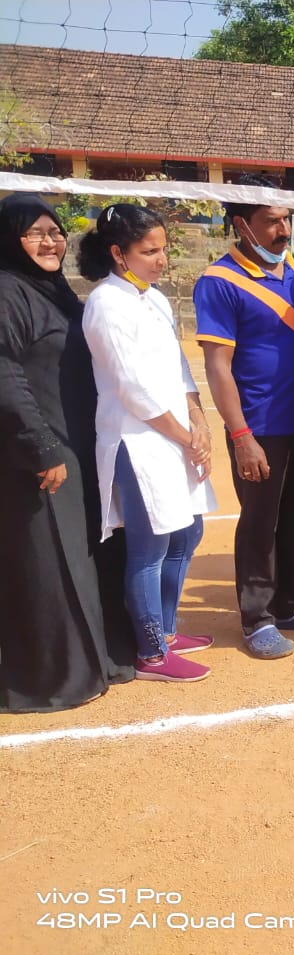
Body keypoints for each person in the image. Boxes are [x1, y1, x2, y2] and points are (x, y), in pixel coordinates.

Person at [0, 196, 136, 711]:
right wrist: (39, 445)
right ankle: (51, 676)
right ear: (11, 239)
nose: (49, 242)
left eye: (55, 232)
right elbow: (6, 375)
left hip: (77, 445)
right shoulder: (7, 291)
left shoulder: (56, 292)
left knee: (84, 556)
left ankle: (96, 659)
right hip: (38, 453)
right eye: (34, 233)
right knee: (48, 563)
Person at [195, 174, 294, 660]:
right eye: (272, 222)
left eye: (287, 219)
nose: (284, 230)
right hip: (259, 427)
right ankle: (257, 618)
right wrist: (240, 435)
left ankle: (292, 604)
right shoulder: (219, 282)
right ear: (242, 225)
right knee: (259, 524)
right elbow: (218, 366)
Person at [80, 204, 218, 682]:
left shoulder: (154, 299)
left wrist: (198, 422)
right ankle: (151, 653)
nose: (161, 260)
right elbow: (132, 389)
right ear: (119, 253)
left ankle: (168, 628)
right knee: (150, 547)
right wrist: (186, 438)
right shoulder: (105, 304)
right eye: (149, 251)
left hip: (176, 437)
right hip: (137, 443)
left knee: (188, 533)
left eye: (163, 249)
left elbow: (180, 369)